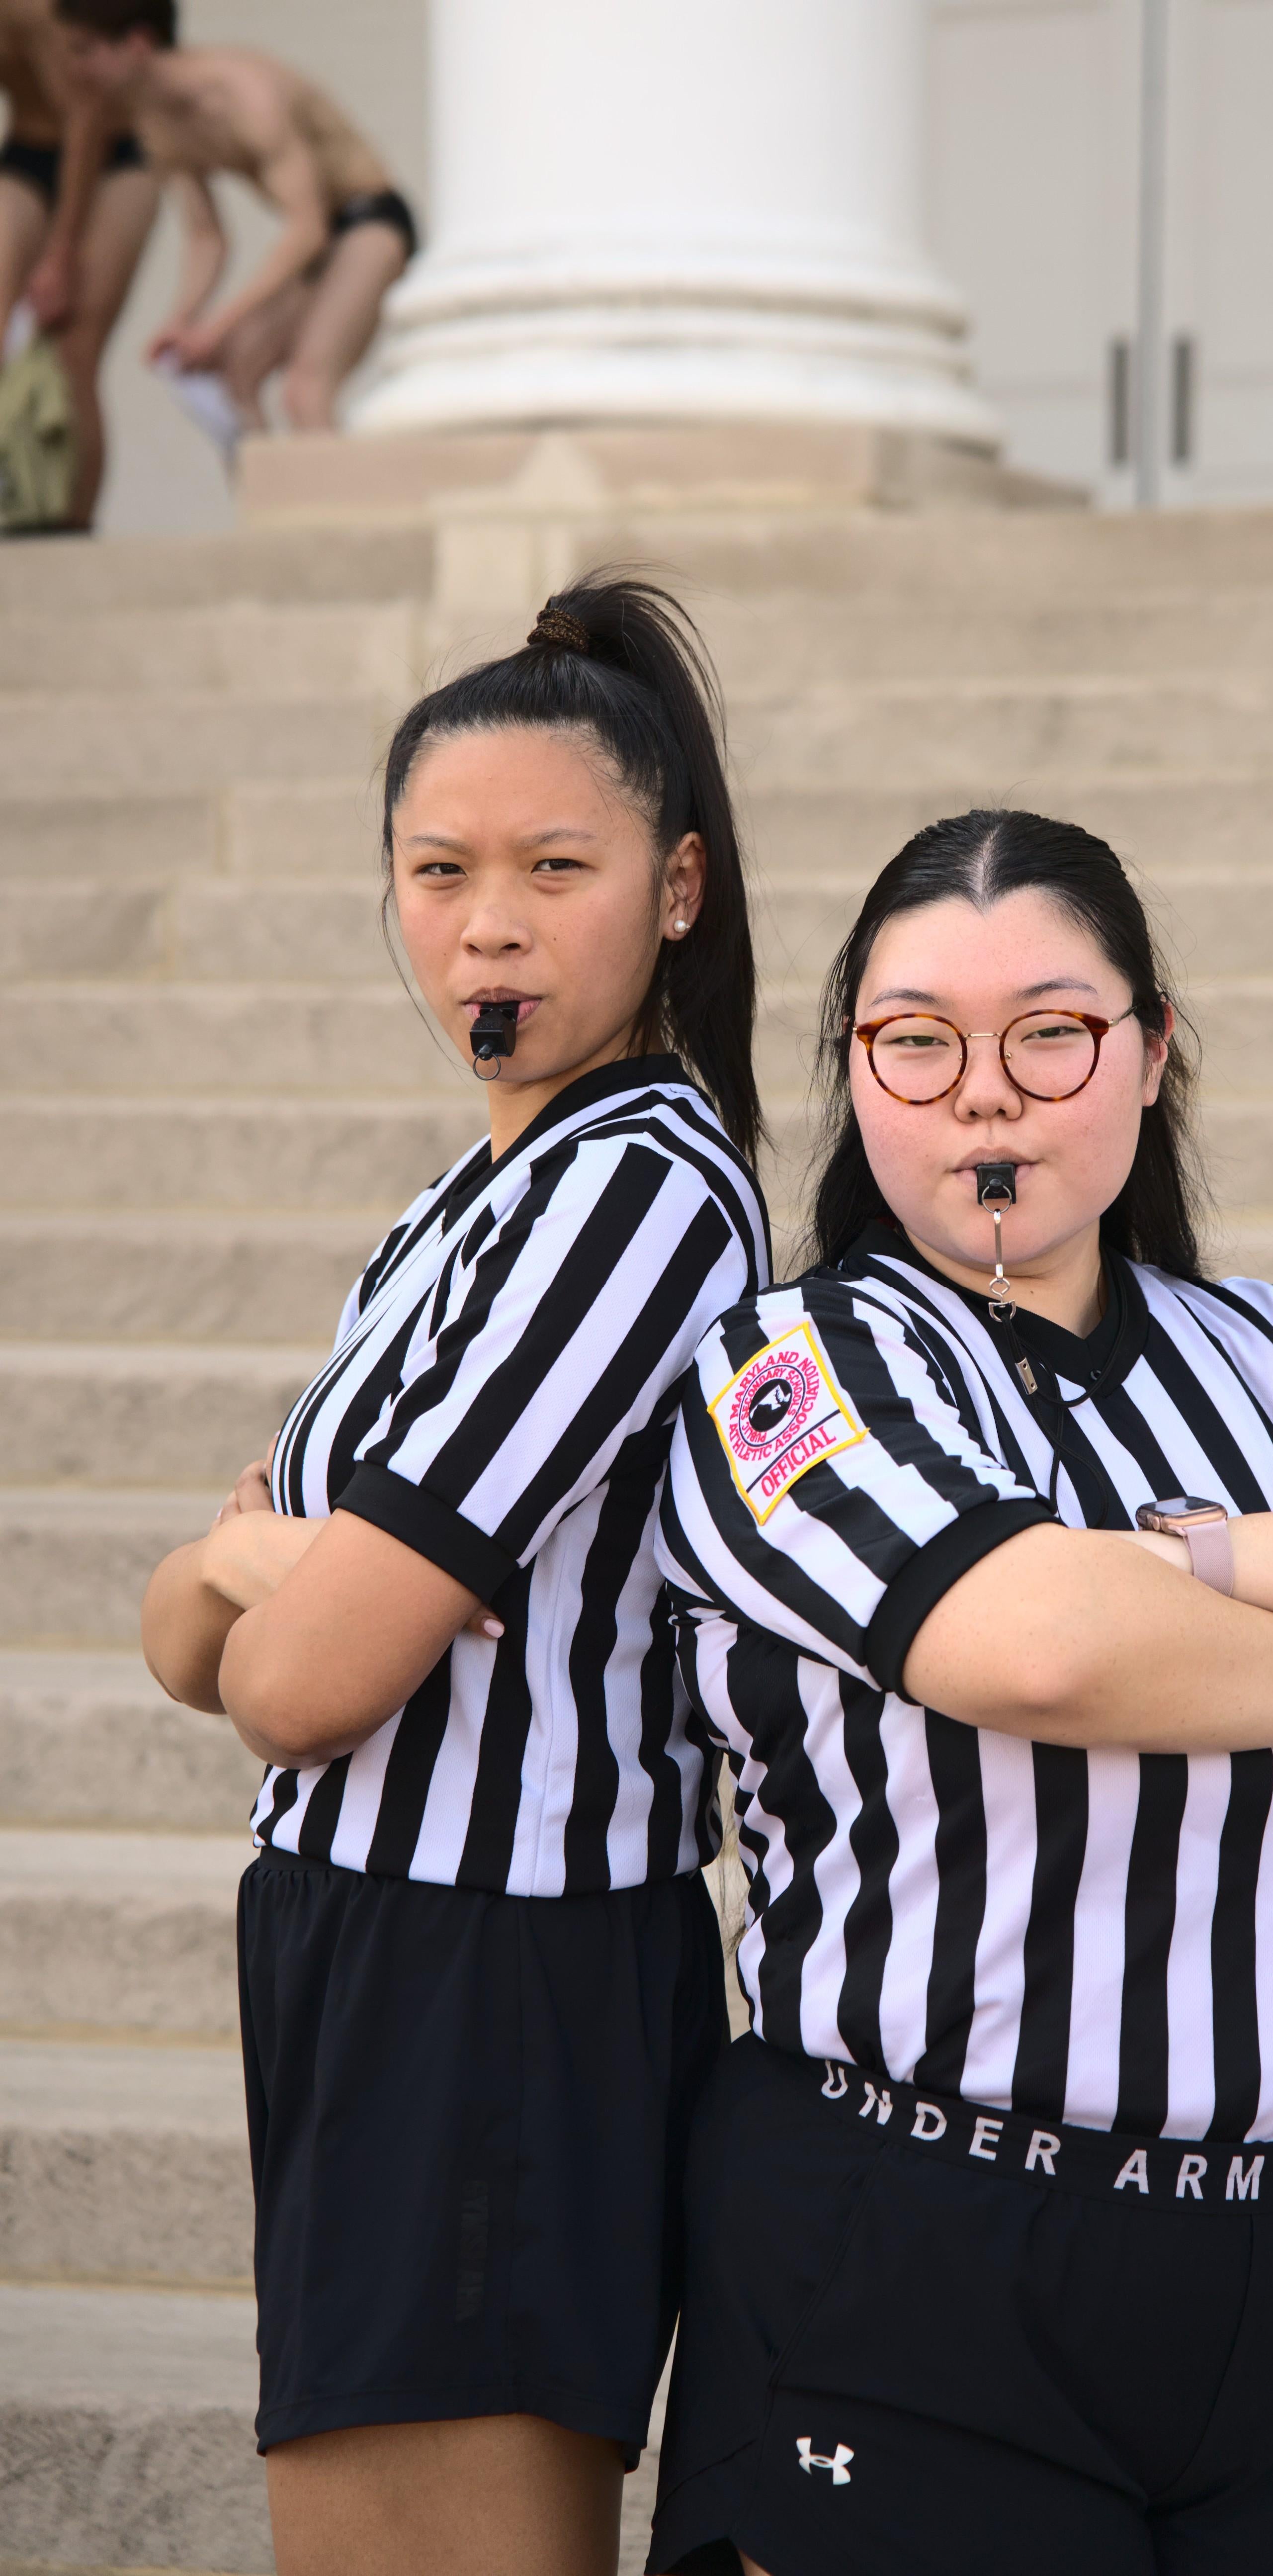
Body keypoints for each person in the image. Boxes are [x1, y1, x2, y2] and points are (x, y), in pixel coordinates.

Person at [647, 808, 1273, 2576]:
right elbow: (1041, 1649)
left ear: (1150, 1052)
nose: (985, 1094)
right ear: (853, 1068)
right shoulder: (791, 1364)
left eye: (1052, 1032)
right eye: (915, 1040)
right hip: (915, 2247)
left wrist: (1192, 1564)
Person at [140, 574, 769, 2576]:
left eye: (552, 865)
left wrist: (265, 1573)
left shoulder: (635, 1191)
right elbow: (188, 1619)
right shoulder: (471, 1197)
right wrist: (262, 1556)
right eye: (437, 867)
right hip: (371, 1938)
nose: (484, 919)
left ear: (676, 888)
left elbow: (298, 1684)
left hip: (495, 1967)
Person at [54, 0, 416, 453]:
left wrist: (217, 327)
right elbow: (207, 238)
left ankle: (356, 519)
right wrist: (183, 320)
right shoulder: (156, 118)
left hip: (370, 221)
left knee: (305, 389)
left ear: (138, 44)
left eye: (84, 51)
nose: (73, 70)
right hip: (326, 239)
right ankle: (274, 513)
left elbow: (307, 229)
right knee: (235, 377)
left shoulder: (245, 95)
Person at [0, 0, 157, 523]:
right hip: (26, 152)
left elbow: (86, 118)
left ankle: (72, 528)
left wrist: (60, 252)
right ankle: (18, 498)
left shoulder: (37, 12)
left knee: (73, 352)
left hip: (112, 156)